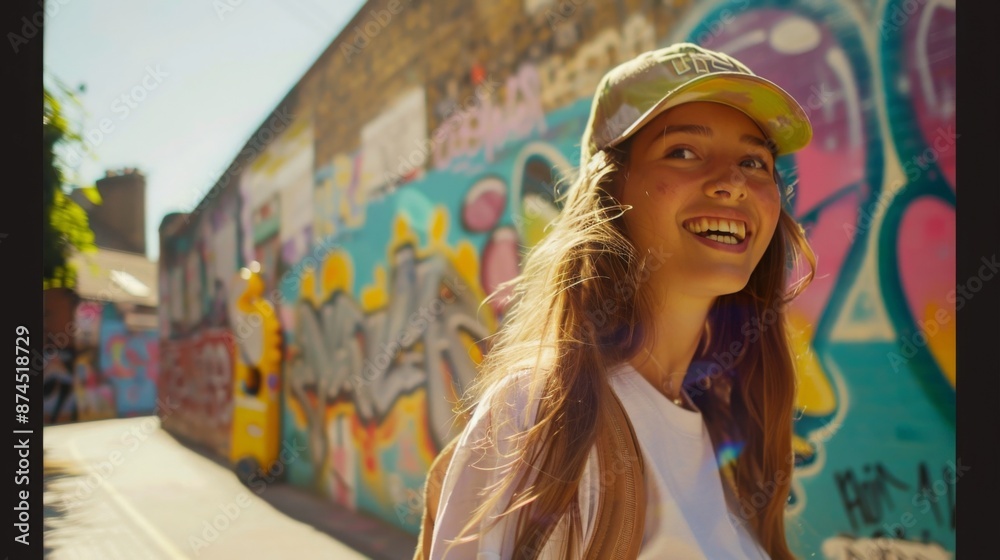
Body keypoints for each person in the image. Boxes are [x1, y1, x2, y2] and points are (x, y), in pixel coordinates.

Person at [425, 42, 817, 560]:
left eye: (754, 161)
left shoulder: (730, 436)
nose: (732, 182)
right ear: (610, 194)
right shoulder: (544, 415)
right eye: (682, 151)